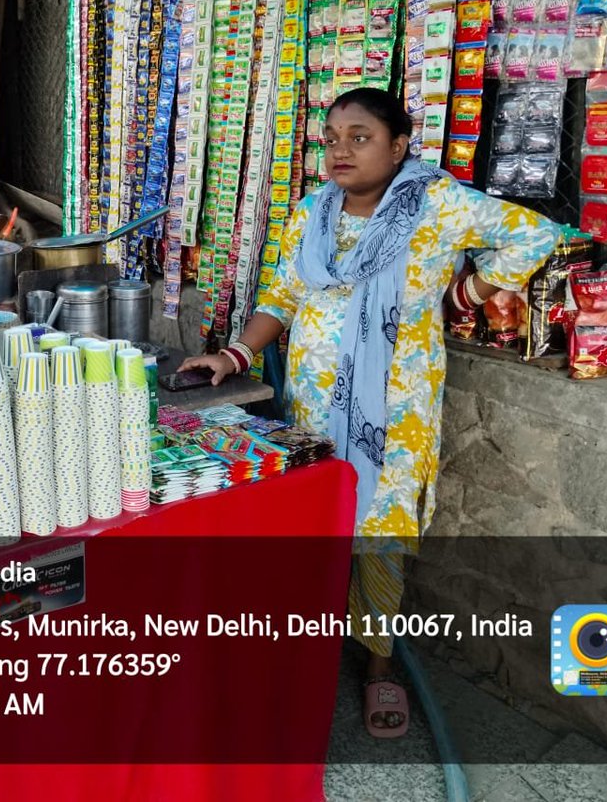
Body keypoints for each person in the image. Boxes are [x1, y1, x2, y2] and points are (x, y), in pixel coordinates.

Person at [181, 88, 559, 738]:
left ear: (399, 145)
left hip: (396, 408)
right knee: (312, 526)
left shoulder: (435, 205)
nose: (340, 150)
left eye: (360, 137)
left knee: (380, 532)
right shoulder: (310, 214)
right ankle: (308, 655)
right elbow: (283, 293)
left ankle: (380, 666)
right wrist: (237, 356)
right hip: (312, 403)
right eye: (331, 138)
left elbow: (537, 235)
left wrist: (464, 294)